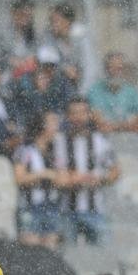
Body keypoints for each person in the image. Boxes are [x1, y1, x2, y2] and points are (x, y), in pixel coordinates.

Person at [55, 97, 119, 246]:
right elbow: (54, 173)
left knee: (101, 258)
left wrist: (100, 180)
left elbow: (115, 171)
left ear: (89, 115)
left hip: (95, 210)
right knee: (67, 260)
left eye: (82, 113)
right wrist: (72, 180)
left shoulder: (100, 141)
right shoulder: (59, 142)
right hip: (67, 211)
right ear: (68, 116)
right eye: (74, 113)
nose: (78, 117)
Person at [13, 111, 64, 249]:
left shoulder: (55, 151)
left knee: (51, 250)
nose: (57, 127)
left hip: (52, 206)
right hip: (31, 206)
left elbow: (61, 178)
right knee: (31, 250)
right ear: (41, 126)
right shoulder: (25, 151)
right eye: (52, 122)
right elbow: (19, 178)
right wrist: (43, 174)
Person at [86, 52, 138, 135]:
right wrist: (127, 125)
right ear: (105, 69)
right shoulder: (94, 91)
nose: (115, 72)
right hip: (103, 140)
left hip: (128, 139)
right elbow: (98, 123)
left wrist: (114, 126)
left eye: (119, 68)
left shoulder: (132, 91)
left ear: (124, 70)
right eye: (111, 68)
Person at [39, 2, 90, 86]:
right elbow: (46, 63)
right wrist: (64, 69)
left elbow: (89, 66)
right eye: (51, 20)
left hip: (81, 84)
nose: (52, 24)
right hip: (57, 84)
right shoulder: (48, 37)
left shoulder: (82, 37)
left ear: (68, 21)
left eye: (56, 20)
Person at [0, 0, 38, 78]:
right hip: (5, 73)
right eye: (21, 14)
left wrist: (28, 61)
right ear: (13, 13)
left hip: (27, 74)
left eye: (27, 16)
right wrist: (9, 60)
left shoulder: (32, 34)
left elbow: (35, 54)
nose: (24, 19)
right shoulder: (0, 32)